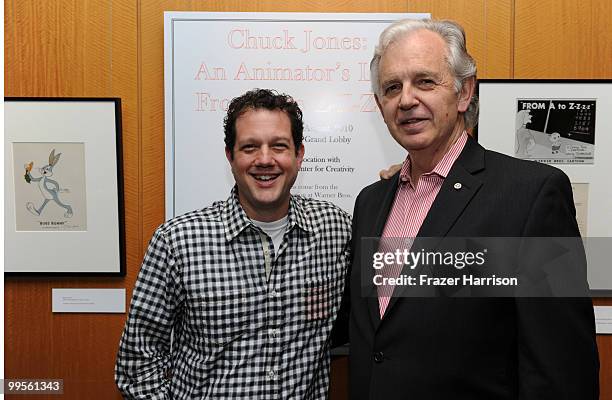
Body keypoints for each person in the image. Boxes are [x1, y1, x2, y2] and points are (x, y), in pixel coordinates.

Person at [346, 19, 599, 399]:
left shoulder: (531, 196)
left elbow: (563, 369)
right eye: (392, 87)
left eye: (425, 81)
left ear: (465, 92)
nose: (406, 99)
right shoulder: (371, 202)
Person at [115, 89, 351, 399]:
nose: (265, 160)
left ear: (299, 154)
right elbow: (138, 360)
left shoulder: (336, 230)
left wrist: (403, 175)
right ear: (231, 156)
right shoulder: (177, 242)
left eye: (279, 146)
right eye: (250, 147)